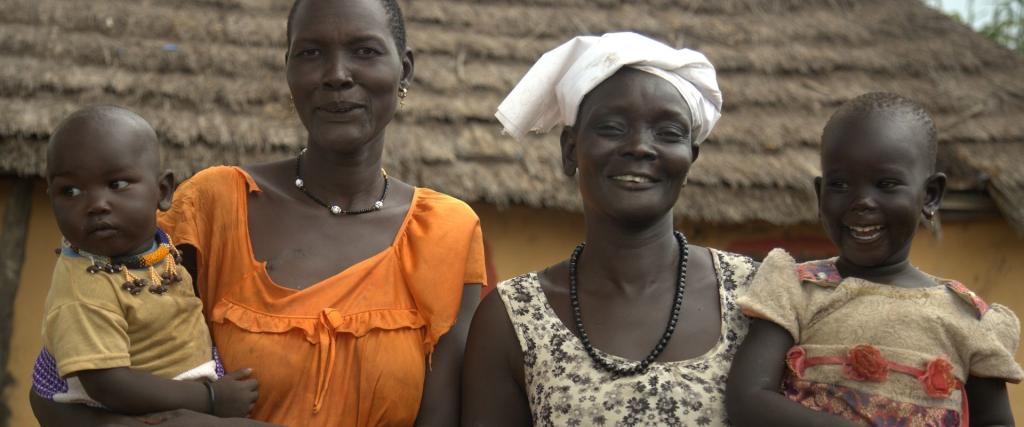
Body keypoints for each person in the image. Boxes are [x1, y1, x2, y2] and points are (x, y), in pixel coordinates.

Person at [31, 0, 485, 425]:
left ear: (404, 68)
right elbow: (54, 392)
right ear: (288, 69)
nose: (337, 74)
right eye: (310, 53)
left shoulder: (446, 231)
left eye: (364, 51)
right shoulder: (216, 205)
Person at [462, 32, 758, 426]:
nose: (639, 146)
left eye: (668, 133)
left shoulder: (754, 296)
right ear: (570, 150)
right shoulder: (513, 319)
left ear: (691, 158)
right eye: (612, 128)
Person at [726, 92, 1022, 426]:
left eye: (887, 184)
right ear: (820, 195)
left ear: (930, 195)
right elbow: (747, 400)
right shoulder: (795, 289)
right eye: (840, 184)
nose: (862, 201)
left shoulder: (969, 319)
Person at [37, 106, 257, 417]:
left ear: (163, 190)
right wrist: (209, 398)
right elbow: (107, 383)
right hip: (138, 412)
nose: (96, 204)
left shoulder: (158, 249)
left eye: (117, 185)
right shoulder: (84, 289)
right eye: (70, 191)